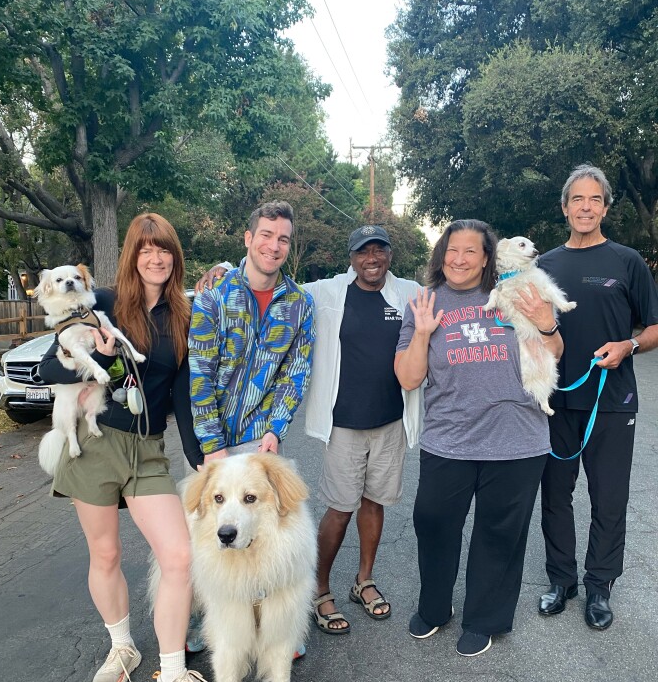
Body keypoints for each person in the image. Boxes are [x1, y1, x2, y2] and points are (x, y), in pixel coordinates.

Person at [39, 213, 219, 682]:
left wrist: (204, 463)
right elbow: (50, 364)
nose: (155, 258)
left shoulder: (184, 314)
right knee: (106, 554)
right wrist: (86, 355)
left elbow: (183, 397)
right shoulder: (103, 303)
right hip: (96, 443)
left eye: (163, 249)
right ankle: (122, 646)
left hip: (147, 447)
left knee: (178, 557)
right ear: (132, 257)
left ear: (174, 256)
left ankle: (174, 677)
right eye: (145, 250)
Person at [395, 219, 561, 657]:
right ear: (440, 254)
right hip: (449, 438)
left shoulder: (514, 292)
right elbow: (409, 377)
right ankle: (435, 607)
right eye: (452, 250)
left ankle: (484, 617)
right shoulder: (427, 302)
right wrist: (425, 332)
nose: (459, 259)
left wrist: (546, 323)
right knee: (432, 521)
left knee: (499, 532)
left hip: (518, 438)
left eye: (470, 251)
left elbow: (553, 353)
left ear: (487, 257)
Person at [537, 165, 658, 630]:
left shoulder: (627, 261)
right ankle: (561, 579)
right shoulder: (545, 265)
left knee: (609, 497)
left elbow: (653, 326)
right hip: (558, 401)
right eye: (577, 200)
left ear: (606, 207)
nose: (586, 207)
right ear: (565, 208)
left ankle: (600, 585)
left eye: (595, 199)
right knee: (555, 495)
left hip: (612, 401)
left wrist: (629, 345)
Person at [302, 225, 420, 634]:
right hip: (344, 424)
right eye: (363, 252)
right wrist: (231, 266)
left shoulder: (408, 293)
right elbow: (278, 282)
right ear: (351, 258)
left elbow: (456, 298)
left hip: (390, 421)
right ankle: (319, 589)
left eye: (379, 250)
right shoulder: (329, 292)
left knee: (374, 504)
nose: (372, 258)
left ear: (390, 254)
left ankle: (363, 581)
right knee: (339, 509)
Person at [188, 199, 315, 460]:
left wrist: (276, 430)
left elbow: (294, 374)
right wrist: (212, 444)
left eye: (283, 239)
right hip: (209, 442)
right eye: (266, 235)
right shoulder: (214, 295)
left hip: (261, 441)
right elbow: (201, 374)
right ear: (248, 238)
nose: (274, 246)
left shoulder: (300, 303)